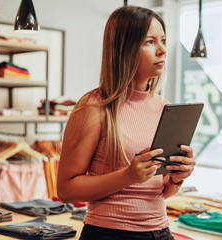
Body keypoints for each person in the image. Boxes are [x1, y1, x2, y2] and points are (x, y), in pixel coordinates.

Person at [57, 5, 195, 240]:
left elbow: (161, 191)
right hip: (109, 233)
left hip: (160, 232)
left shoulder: (164, 107)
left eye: (163, 40)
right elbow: (66, 190)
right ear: (125, 49)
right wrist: (128, 176)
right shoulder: (94, 106)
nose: (162, 50)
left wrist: (177, 177)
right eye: (149, 42)